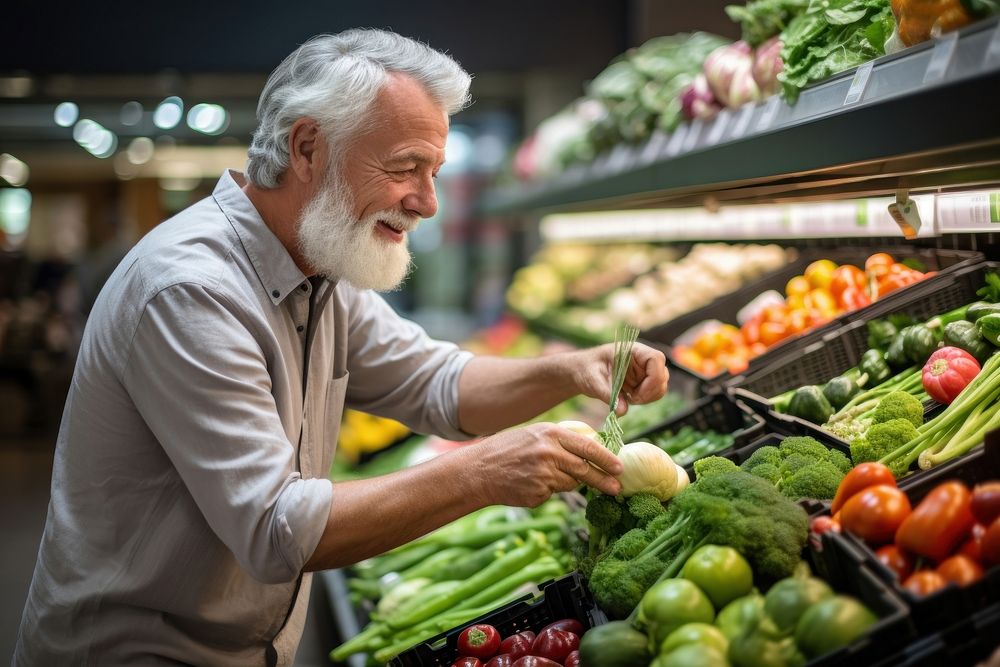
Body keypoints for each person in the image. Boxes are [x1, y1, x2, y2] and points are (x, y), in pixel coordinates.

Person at [14, 29, 668, 666]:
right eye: (406, 167)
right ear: (307, 148)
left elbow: (436, 383)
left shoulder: (317, 268)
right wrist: (483, 472)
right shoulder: (191, 289)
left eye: (434, 171)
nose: (429, 202)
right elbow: (275, 526)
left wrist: (571, 370)